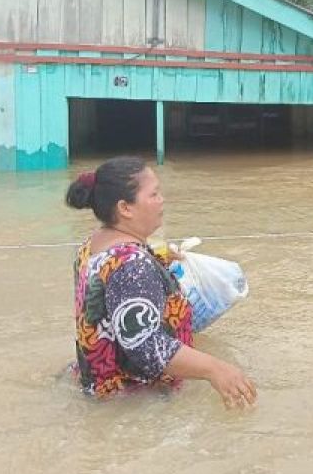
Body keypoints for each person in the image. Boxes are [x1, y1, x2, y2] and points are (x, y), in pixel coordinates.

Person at [65, 156, 257, 407]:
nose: (162, 200)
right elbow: (145, 345)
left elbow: (114, 301)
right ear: (125, 208)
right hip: (134, 401)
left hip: (95, 383)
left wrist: (160, 255)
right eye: (153, 194)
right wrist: (215, 369)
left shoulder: (92, 247)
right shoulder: (133, 267)